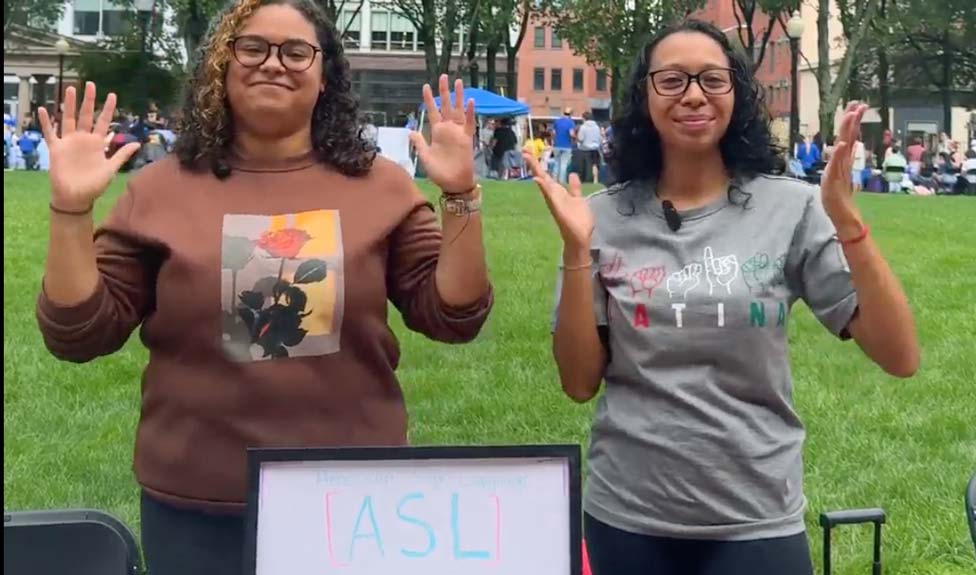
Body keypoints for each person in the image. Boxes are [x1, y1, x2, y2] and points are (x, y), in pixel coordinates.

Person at [34, 0, 492, 571]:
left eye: (296, 51)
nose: (273, 63)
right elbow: (78, 334)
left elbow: (454, 316)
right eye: (251, 48)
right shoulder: (159, 190)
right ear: (222, 66)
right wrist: (70, 212)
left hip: (349, 502)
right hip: (196, 504)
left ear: (325, 76)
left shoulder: (382, 188)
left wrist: (460, 199)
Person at [524, 19, 918, 575]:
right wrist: (575, 249)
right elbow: (578, 382)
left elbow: (899, 356)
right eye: (672, 80)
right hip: (628, 516)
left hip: (756, 516)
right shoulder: (597, 216)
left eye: (712, 79)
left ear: (736, 93)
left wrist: (847, 221)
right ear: (644, 96)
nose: (693, 95)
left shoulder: (792, 209)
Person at [576, 111, 603, 183]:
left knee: (585, 166)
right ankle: (595, 179)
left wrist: (576, 138)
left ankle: (585, 180)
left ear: (584, 118)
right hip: (595, 148)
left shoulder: (583, 127)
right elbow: (599, 138)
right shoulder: (597, 127)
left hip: (585, 149)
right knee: (595, 164)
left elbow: (581, 139)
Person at [553, 107, 576, 183]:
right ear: (570, 115)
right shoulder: (571, 122)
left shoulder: (557, 121)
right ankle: (561, 181)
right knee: (563, 164)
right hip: (566, 146)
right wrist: (575, 138)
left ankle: (554, 180)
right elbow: (571, 134)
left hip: (557, 145)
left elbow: (553, 133)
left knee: (556, 163)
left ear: (563, 113)